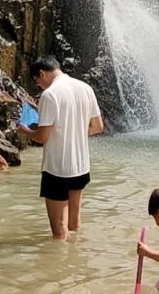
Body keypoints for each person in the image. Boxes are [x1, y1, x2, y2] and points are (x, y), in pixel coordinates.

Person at [17, 55, 104, 240]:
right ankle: (76, 262)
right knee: (74, 222)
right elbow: (98, 127)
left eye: (37, 82)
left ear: (41, 74)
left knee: (58, 230)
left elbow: (42, 137)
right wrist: (75, 132)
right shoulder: (85, 88)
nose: (39, 86)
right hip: (81, 167)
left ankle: (61, 264)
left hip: (57, 169)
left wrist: (25, 130)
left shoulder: (50, 95)